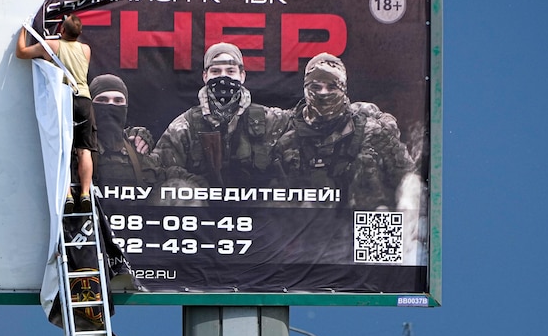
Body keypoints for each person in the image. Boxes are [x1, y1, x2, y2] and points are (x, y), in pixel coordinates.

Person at [273, 52, 420, 211]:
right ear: (305, 88)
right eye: (316, 87)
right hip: (308, 230)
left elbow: (410, 181)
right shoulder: (287, 138)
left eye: (332, 87)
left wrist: (406, 217)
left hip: (362, 227)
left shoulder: (373, 133)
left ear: (343, 89)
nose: (323, 93)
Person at [151, 42, 291, 190]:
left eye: (230, 71)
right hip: (203, 208)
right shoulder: (184, 126)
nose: (223, 77)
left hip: (257, 209)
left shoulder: (272, 120)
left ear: (242, 75)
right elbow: (158, 169)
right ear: (205, 76)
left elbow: (306, 121)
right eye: (216, 71)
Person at [16, 14, 96, 213]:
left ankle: (67, 194)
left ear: (61, 30)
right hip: (84, 100)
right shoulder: (86, 50)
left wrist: (23, 30)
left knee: (63, 151)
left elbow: (21, 53)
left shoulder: (51, 46)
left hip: (64, 100)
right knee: (84, 150)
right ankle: (85, 193)